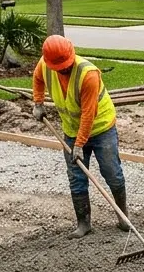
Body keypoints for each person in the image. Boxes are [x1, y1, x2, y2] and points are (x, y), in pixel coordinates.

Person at [31, 35, 126, 239]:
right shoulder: (45, 65)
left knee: (112, 172)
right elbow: (38, 79)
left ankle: (123, 217)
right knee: (76, 177)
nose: (64, 69)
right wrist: (38, 103)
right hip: (72, 130)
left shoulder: (88, 74)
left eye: (66, 65)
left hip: (101, 128)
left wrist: (79, 145)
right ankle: (83, 224)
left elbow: (88, 113)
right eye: (59, 67)